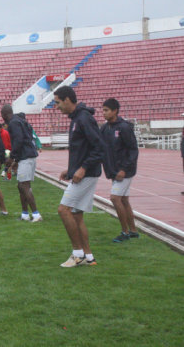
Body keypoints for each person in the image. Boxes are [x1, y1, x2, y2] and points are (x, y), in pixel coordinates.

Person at [54, 86, 104, 267]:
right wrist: (71, 170)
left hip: (87, 175)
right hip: (83, 173)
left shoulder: (83, 119)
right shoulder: (76, 119)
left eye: (58, 102)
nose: (56, 106)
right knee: (76, 215)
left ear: (67, 100)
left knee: (63, 210)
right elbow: (82, 149)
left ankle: (78, 255)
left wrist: (82, 169)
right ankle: (89, 257)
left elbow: (99, 147)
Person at [100, 98, 139, 242]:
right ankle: (133, 231)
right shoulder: (105, 128)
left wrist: (124, 169)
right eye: (103, 110)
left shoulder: (124, 127)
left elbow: (133, 150)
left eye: (106, 110)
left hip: (124, 171)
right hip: (113, 171)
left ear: (115, 111)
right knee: (123, 200)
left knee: (115, 198)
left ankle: (125, 232)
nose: (103, 113)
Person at [1, 106, 42, 222]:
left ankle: (36, 215)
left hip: (26, 157)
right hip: (28, 155)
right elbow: (26, 138)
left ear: (4, 115)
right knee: (21, 186)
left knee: (24, 186)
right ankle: (25, 214)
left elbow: (18, 141)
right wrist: (16, 160)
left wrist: (12, 158)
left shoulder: (14, 123)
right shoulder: (20, 121)